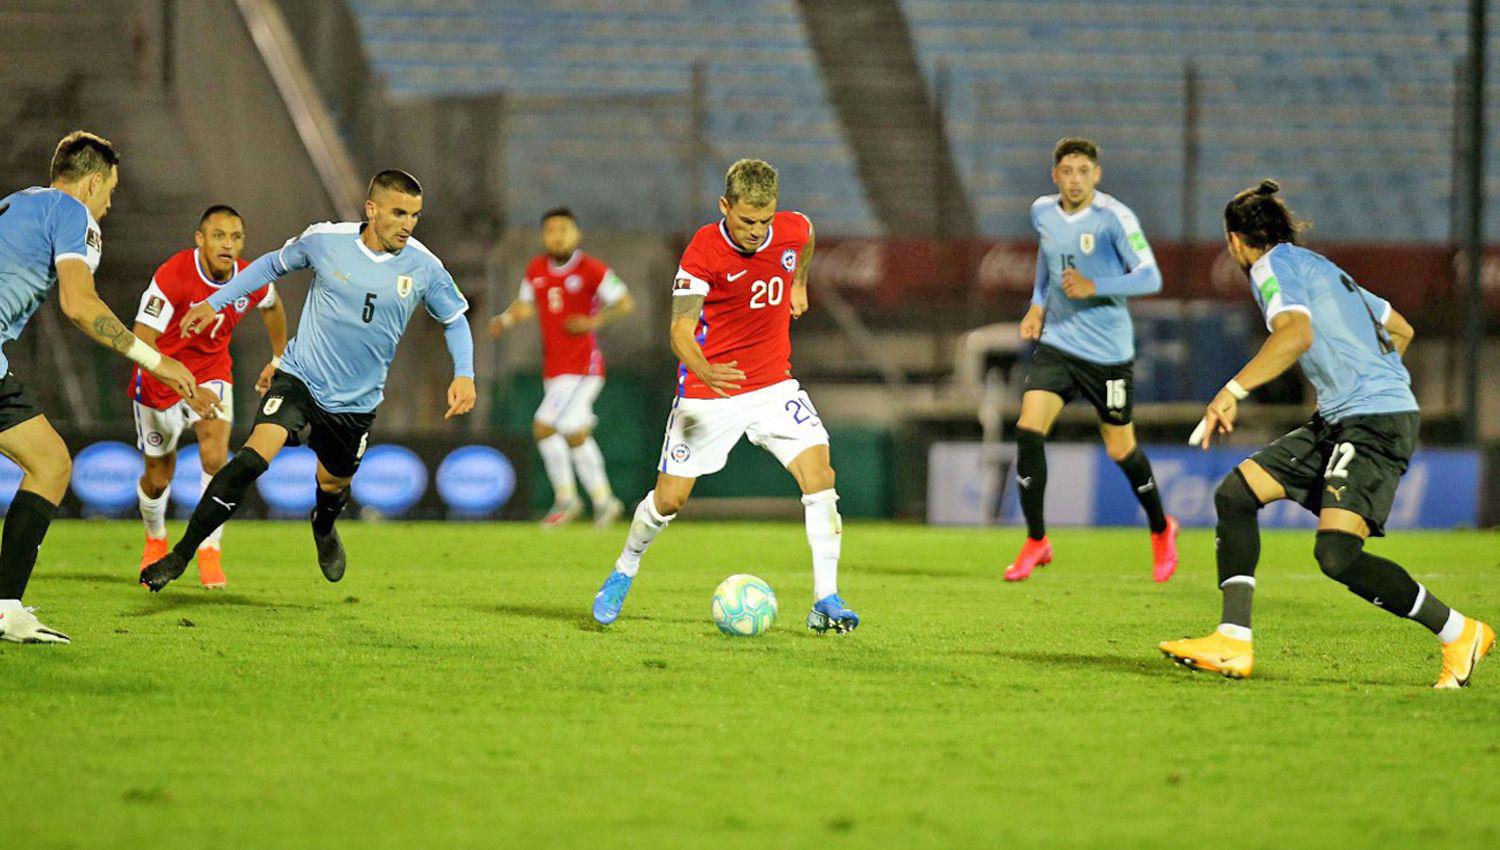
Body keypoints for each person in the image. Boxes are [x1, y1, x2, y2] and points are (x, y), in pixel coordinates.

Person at [1159, 179, 1493, 688]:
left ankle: (1458, 632)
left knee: (1337, 556)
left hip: (1372, 423)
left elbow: (1295, 334)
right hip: (1347, 417)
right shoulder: (1323, 269)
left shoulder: (1271, 268)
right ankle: (1232, 640)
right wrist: (1363, 378)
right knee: (1237, 493)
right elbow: (1400, 328)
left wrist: (1232, 391)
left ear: (1235, 241)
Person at [140, 169, 476, 592]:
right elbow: (269, 266)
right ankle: (182, 554)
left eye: (415, 215)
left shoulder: (425, 266)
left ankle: (324, 524)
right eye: (398, 213)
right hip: (300, 377)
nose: (408, 224)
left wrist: (464, 373)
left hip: (355, 402)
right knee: (250, 460)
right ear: (371, 210)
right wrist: (215, 301)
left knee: (332, 483)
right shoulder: (324, 241)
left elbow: (454, 319)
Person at [590, 159, 858, 633]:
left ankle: (826, 600)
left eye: (764, 220)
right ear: (724, 206)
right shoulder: (702, 252)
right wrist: (704, 369)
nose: (757, 231)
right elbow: (679, 331)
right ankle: (624, 569)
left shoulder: (791, 230)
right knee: (669, 500)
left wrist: (799, 282)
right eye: (746, 221)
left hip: (775, 386)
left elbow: (807, 234)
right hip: (709, 389)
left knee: (821, 477)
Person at [0, 131, 212, 643]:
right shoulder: (75, 216)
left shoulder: (17, 203)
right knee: (49, 464)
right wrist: (157, 361)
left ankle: (5, 606)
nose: (110, 205)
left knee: (49, 460)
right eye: (110, 192)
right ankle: (4, 608)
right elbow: (79, 304)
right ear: (92, 182)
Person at [1006, 137, 1179, 583]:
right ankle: (1036, 540)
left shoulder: (1114, 218)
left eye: (1084, 171)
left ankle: (1162, 529)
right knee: (1028, 430)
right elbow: (1047, 263)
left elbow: (1150, 277)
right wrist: (1037, 306)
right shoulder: (1042, 211)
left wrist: (1095, 285)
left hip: (1107, 354)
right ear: (1055, 175)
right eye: (1068, 171)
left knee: (1121, 448)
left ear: (1096, 175)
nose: (1076, 179)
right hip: (1060, 343)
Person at [130, 205, 287, 587]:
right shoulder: (173, 275)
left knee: (216, 457)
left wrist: (278, 357)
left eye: (236, 237)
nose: (228, 245)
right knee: (158, 477)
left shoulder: (250, 277)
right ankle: (155, 539)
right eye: (219, 236)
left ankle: (209, 549)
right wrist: (183, 386)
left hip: (213, 372)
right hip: (159, 375)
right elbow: (141, 339)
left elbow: (272, 306)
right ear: (200, 239)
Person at [488, 207, 633, 528]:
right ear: (544, 235)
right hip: (554, 369)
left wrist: (594, 321)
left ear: (576, 234)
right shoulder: (536, 268)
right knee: (575, 432)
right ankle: (604, 500)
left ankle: (566, 499)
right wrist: (505, 320)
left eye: (565, 229)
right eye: (552, 230)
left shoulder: (591, 269)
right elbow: (526, 305)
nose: (558, 235)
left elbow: (624, 302)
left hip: (583, 368)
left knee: (544, 426)